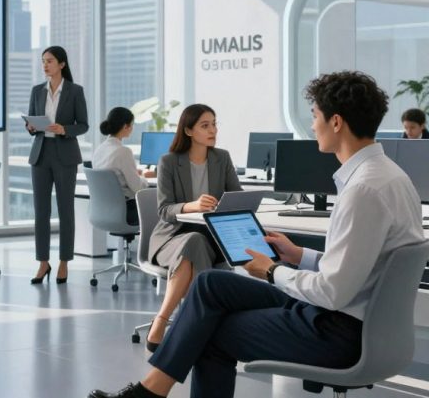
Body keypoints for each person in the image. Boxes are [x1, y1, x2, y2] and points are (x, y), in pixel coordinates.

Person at [90, 71, 425, 398]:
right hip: (351, 318)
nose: (312, 125)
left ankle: (148, 394)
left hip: (336, 330)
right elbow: (360, 265)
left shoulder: (362, 190)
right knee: (211, 284)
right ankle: (150, 391)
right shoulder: (390, 176)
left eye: (315, 116)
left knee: (210, 331)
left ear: (336, 122)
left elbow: (332, 291)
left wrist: (272, 270)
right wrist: (299, 256)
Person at [144, 104, 241, 352]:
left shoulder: (223, 158)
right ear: (188, 130)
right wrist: (191, 206)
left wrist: (223, 205)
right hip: (171, 239)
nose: (213, 130)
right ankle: (190, 322)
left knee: (197, 242)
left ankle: (167, 320)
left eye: (214, 124)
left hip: (213, 239)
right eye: (205, 125)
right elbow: (164, 210)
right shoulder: (168, 161)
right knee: (192, 242)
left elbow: (236, 198)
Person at [25, 46, 89, 285]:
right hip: (40, 154)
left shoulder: (75, 91)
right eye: (43, 61)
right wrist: (31, 126)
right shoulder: (37, 91)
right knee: (41, 213)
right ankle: (43, 262)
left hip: (65, 155)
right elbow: (32, 121)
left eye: (49, 61)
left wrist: (64, 129)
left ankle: (64, 262)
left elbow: (83, 125)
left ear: (62, 64)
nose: (45, 65)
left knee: (65, 211)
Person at [92, 106, 154, 226]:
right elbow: (138, 188)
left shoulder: (100, 149)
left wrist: (135, 173)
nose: (132, 128)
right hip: (127, 210)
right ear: (126, 126)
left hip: (103, 210)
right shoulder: (123, 151)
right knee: (164, 205)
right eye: (132, 124)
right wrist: (144, 178)